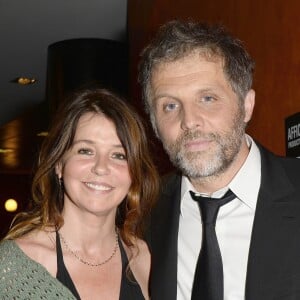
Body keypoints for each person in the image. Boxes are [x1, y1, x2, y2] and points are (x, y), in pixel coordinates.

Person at [138, 19, 300, 300]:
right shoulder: (144, 211)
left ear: (246, 105)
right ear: (154, 123)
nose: (189, 121)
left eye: (208, 98)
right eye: (170, 105)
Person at [0, 88, 159, 299]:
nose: (101, 167)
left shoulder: (142, 258)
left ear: (134, 173)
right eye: (86, 151)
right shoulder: (13, 267)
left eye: (119, 155)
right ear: (59, 164)